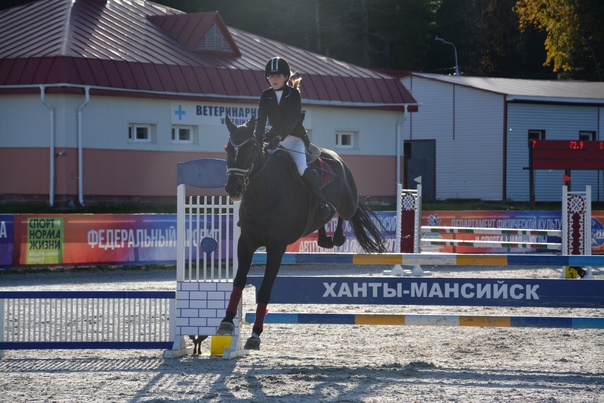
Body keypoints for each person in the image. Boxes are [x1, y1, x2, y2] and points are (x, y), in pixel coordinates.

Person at [254, 56, 334, 222]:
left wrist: (279, 137)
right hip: (275, 137)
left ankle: (321, 203)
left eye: (277, 76)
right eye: (271, 77)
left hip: (294, 138)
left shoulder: (294, 95)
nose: (274, 80)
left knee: (300, 168)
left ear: (285, 77)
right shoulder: (265, 96)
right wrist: (257, 139)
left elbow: (292, 120)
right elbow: (261, 120)